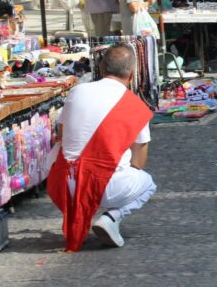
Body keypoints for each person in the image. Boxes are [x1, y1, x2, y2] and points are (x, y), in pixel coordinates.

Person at [47, 44, 156, 250]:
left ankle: (81, 214)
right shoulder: (136, 106)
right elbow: (138, 162)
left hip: (62, 185)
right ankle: (111, 217)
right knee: (148, 184)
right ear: (132, 74)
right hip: (104, 186)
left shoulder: (77, 91)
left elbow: (61, 136)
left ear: (101, 68)